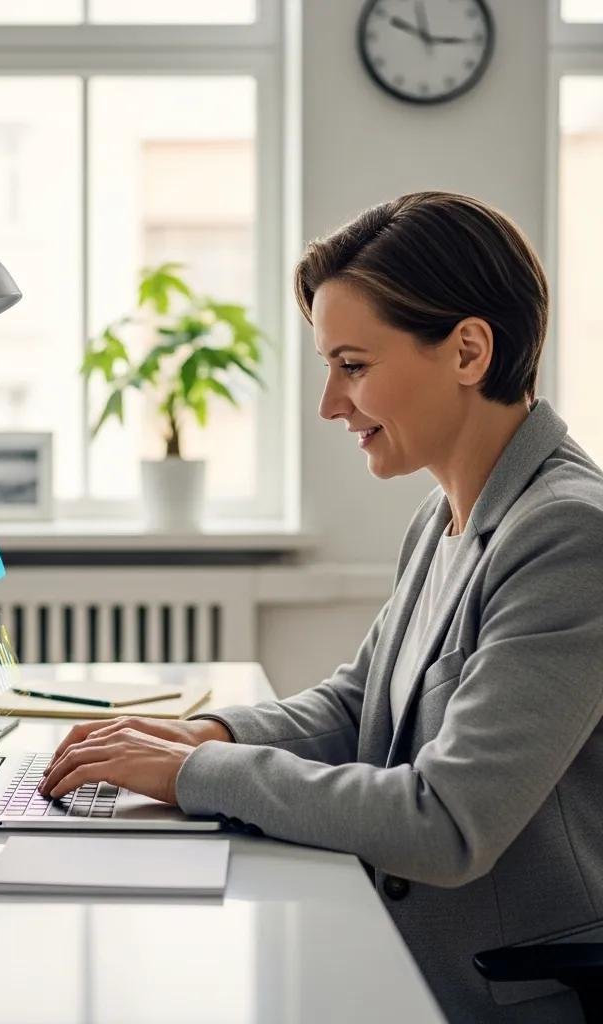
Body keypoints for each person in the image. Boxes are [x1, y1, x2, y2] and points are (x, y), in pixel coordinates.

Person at [39, 192, 603, 1023]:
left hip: (501, 994)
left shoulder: (568, 534)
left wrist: (199, 774)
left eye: (353, 365)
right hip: (401, 953)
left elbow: (447, 822)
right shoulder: (446, 515)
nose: (329, 403)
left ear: (468, 351)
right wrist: (201, 735)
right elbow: (357, 704)